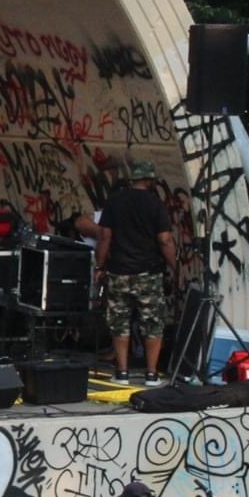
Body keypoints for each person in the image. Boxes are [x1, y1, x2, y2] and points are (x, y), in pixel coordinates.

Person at [96, 160, 177, 382]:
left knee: (119, 322)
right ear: (149, 180)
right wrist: (175, 267)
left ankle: (122, 372)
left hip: (118, 272)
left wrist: (99, 266)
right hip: (148, 274)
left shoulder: (114, 202)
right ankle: (151, 373)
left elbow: (104, 236)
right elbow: (165, 240)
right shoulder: (156, 204)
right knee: (152, 324)